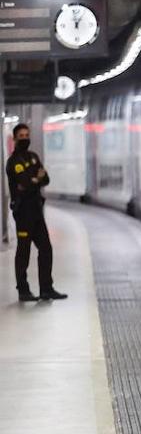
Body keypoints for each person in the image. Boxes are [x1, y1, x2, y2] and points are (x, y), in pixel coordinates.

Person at [6, 123, 66, 302]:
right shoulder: (14, 162)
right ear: (15, 139)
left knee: (46, 249)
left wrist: (33, 180)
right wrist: (33, 179)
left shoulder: (33, 157)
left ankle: (46, 288)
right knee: (23, 251)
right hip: (23, 212)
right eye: (21, 136)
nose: (25, 138)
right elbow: (25, 183)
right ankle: (23, 290)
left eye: (27, 135)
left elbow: (44, 178)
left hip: (36, 211)